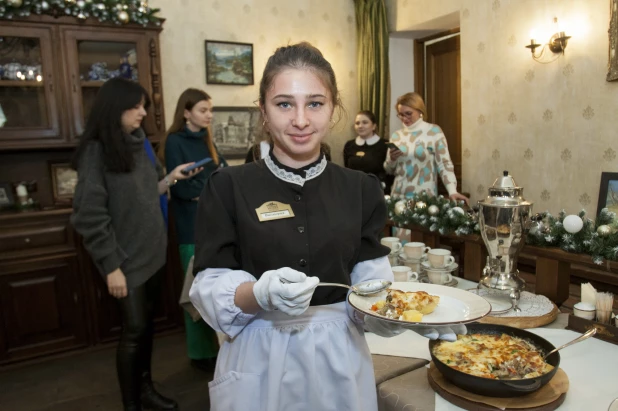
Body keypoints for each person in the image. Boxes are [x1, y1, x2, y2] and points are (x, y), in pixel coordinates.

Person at [189, 42, 465, 411]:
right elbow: (207, 285)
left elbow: (370, 286)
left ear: (333, 108)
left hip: (339, 358)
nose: (301, 120)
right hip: (259, 357)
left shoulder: (361, 189)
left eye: (315, 103)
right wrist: (259, 293)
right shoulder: (227, 186)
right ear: (263, 110)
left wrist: (404, 313)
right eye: (284, 103)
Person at [71, 78, 201, 411]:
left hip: (152, 253)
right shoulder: (97, 150)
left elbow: (146, 194)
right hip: (124, 260)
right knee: (134, 332)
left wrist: (171, 178)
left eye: (144, 105)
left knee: (145, 331)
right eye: (136, 106)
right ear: (115, 109)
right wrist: (111, 266)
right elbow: (88, 215)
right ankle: (131, 404)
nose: (143, 113)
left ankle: (145, 390)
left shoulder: (138, 142)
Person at [158, 88, 226, 371]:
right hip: (190, 224)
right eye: (202, 110)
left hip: (213, 220)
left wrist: (206, 188)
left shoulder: (207, 138)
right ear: (186, 113)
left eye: (210, 110)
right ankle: (200, 355)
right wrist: (206, 187)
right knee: (194, 289)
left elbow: (221, 172)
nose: (208, 115)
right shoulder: (175, 140)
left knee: (213, 289)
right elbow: (183, 187)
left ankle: (216, 349)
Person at [385, 92, 469, 204]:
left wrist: (452, 191)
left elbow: (444, 164)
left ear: (420, 111)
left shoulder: (433, 132)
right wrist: (392, 159)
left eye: (408, 113)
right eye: (401, 114)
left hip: (424, 199)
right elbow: (388, 169)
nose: (404, 118)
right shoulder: (396, 136)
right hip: (398, 197)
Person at [343, 110, 393, 193]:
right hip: (354, 191)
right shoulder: (349, 145)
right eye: (357, 123)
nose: (360, 126)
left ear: (374, 126)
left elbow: (390, 172)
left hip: (378, 192)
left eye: (365, 122)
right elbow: (347, 170)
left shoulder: (385, 145)